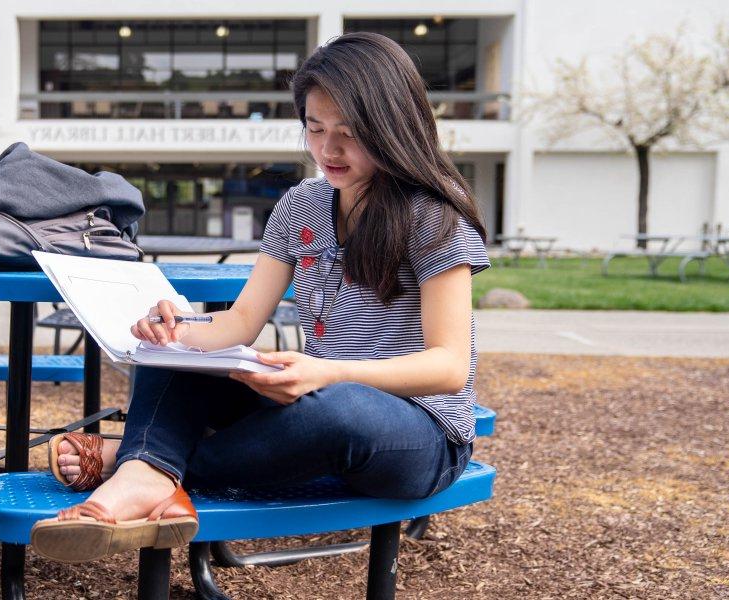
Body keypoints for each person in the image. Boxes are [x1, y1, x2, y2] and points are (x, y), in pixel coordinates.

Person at [30, 32, 491, 563]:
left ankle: (137, 463)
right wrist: (177, 327)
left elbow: (450, 367)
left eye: (349, 134)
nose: (328, 150)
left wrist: (327, 373)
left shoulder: (433, 214)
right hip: (316, 395)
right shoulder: (302, 205)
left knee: (335, 410)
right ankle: (147, 474)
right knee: (179, 354)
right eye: (315, 129)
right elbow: (241, 322)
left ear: (392, 129)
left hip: (420, 434)